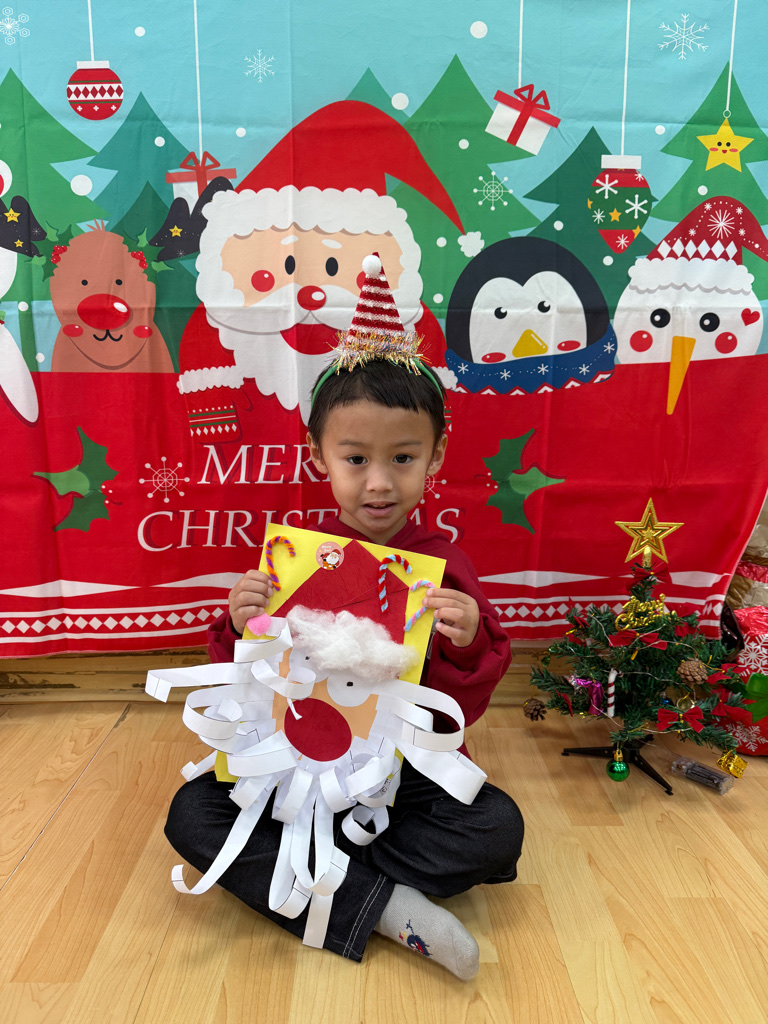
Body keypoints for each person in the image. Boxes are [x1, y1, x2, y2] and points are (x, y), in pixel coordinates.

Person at [164, 259, 524, 982]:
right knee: (191, 815)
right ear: (319, 456)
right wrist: (239, 625)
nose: (379, 483)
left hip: (399, 778)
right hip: (296, 770)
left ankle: (324, 879)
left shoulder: (443, 566)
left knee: (496, 830)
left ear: (436, 456)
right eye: (355, 458)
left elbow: (462, 711)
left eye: (403, 458)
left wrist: (467, 641)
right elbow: (245, 693)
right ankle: (382, 905)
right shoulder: (293, 561)